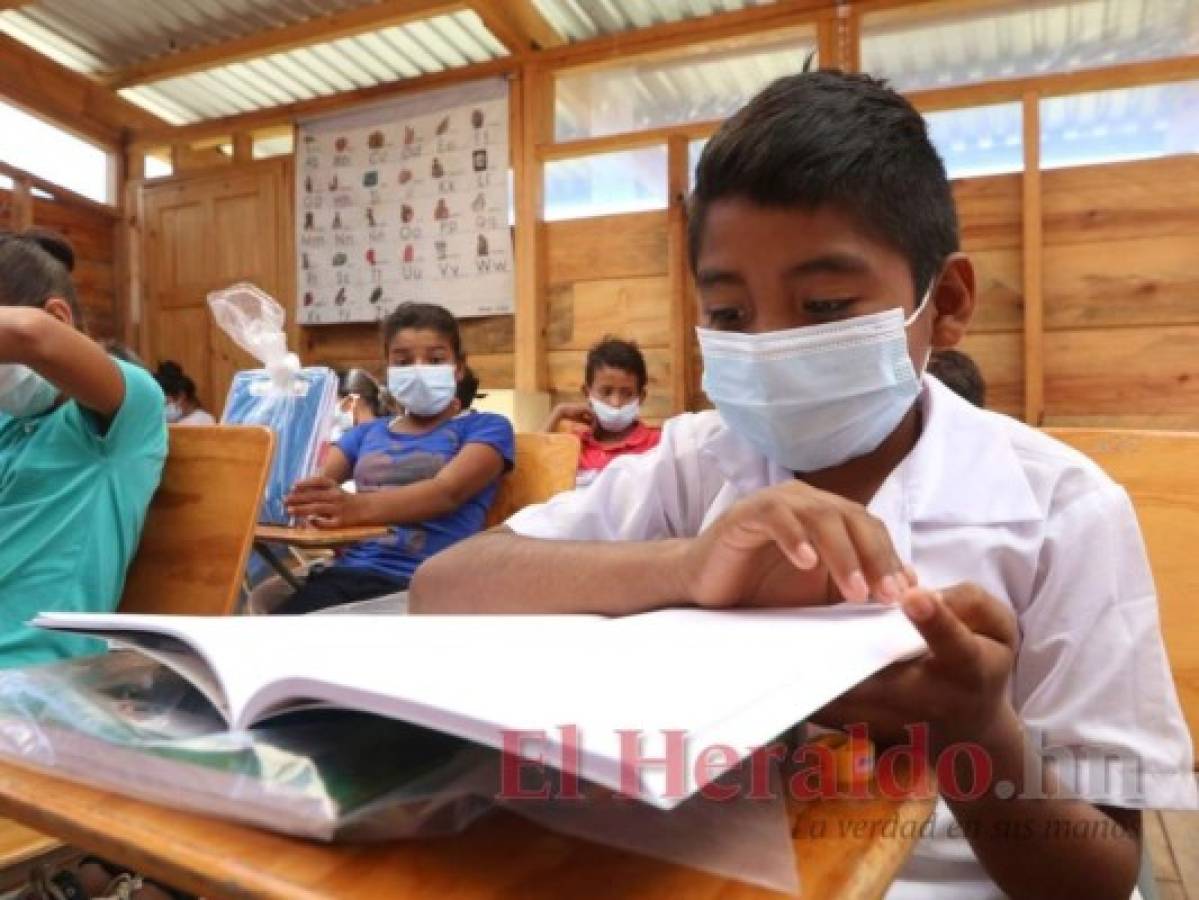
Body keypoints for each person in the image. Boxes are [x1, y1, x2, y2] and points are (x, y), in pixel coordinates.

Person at [412, 71, 1193, 898]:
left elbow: (1100, 874)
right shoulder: (695, 463)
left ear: (946, 302)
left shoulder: (1060, 510)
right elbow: (444, 586)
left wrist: (973, 730)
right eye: (729, 315)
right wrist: (686, 567)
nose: (770, 346)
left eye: (823, 305)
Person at [274, 302, 514, 615]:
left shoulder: (487, 428)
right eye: (403, 361)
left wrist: (355, 509)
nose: (419, 369)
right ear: (387, 369)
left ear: (458, 367)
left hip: (426, 586)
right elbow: (313, 485)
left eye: (435, 359)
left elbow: (447, 492)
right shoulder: (365, 433)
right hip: (348, 575)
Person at [0, 229, 167, 667]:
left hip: (34, 675)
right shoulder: (9, 425)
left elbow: (31, 334)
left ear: (59, 317)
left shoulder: (126, 410)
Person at [541, 336, 662, 486]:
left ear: (641, 397)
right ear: (587, 393)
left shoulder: (657, 445)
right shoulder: (573, 443)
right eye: (606, 392)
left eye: (627, 394)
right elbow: (532, 471)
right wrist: (558, 413)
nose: (616, 403)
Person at [154, 360, 214, 425]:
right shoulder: (175, 418)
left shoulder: (202, 420)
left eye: (167, 403)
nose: (165, 408)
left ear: (181, 396)